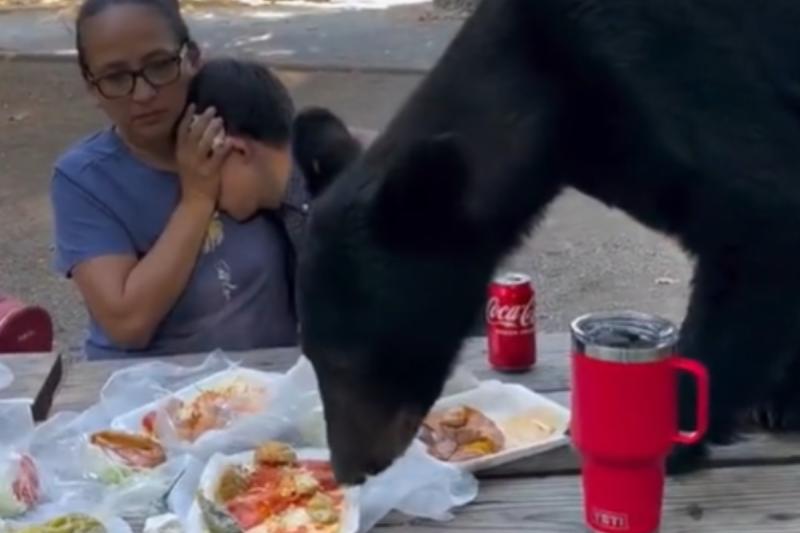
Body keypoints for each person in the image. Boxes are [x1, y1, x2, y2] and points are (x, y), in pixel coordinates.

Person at [50, 0, 303, 359]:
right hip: (149, 399)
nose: (144, 93)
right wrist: (196, 198)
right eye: (115, 77)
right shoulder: (84, 179)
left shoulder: (237, 126)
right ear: (92, 87)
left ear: (192, 58)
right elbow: (127, 324)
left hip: (270, 390)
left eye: (159, 65)